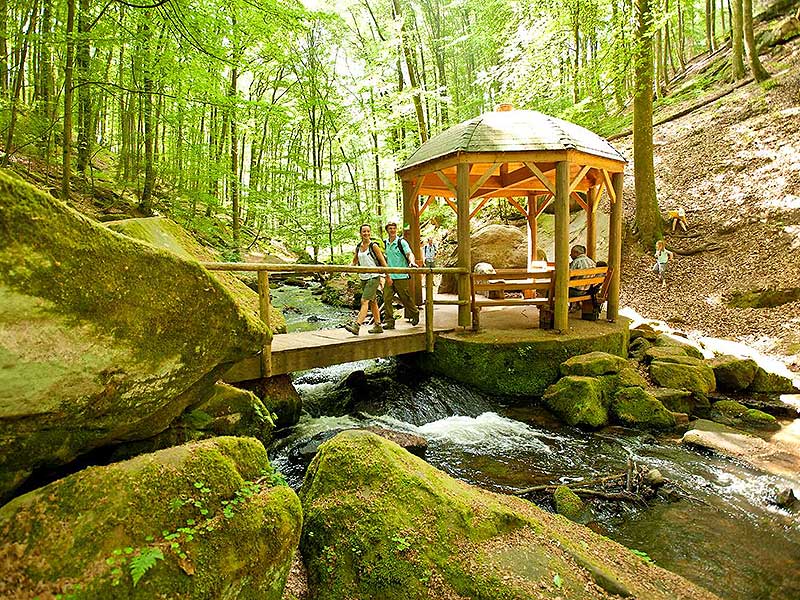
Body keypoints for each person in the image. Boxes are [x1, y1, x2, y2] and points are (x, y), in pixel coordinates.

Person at [343, 224, 388, 335]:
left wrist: (388, 276)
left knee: (364, 301)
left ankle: (357, 326)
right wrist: (346, 270)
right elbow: (354, 261)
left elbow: (383, 261)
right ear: (360, 233)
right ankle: (378, 325)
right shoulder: (358, 247)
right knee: (373, 301)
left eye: (368, 231)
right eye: (364, 231)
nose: (366, 233)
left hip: (373, 277)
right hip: (363, 278)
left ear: (370, 233)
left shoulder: (374, 246)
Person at [383, 222, 420, 328]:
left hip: (401, 276)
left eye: (394, 228)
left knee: (405, 298)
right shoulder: (385, 243)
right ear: (387, 230)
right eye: (390, 228)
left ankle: (415, 313)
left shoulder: (401, 242)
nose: (392, 230)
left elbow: (409, 253)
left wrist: (412, 262)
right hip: (390, 276)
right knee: (386, 298)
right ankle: (389, 321)